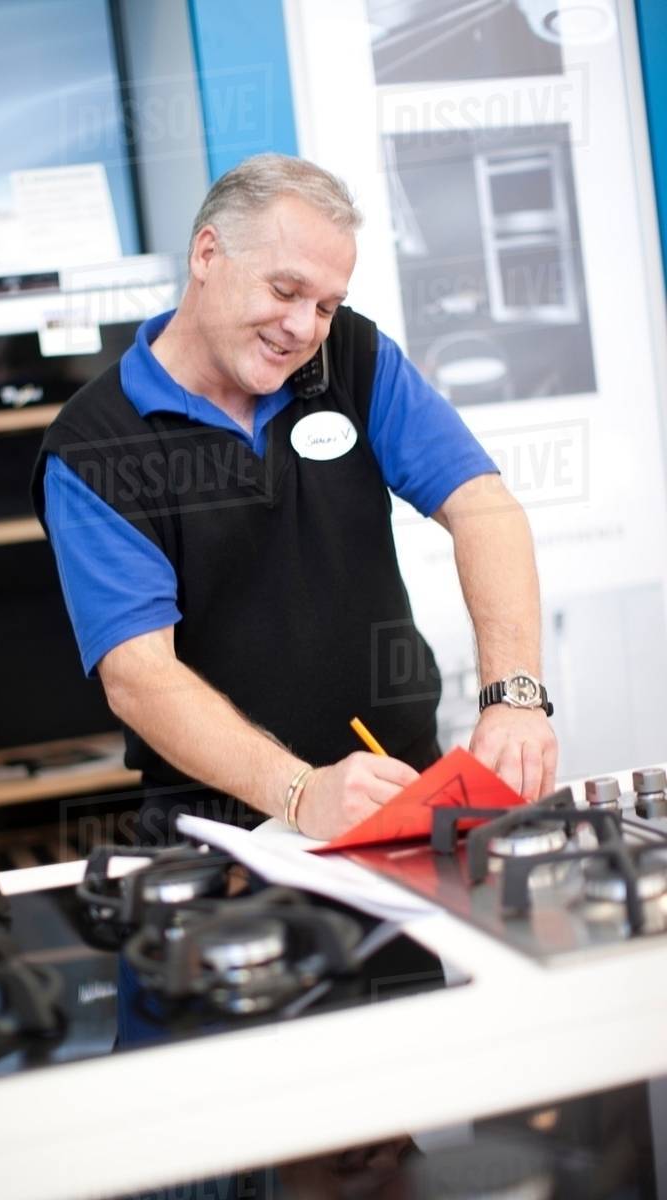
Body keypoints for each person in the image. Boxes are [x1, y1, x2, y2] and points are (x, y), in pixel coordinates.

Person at [31, 153, 557, 845]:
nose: (305, 327)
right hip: (226, 837)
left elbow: (482, 505)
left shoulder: (354, 358)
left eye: (326, 306)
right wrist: (301, 791)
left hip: (400, 796)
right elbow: (139, 675)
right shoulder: (94, 447)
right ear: (207, 253)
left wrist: (514, 694)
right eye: (286, 290)